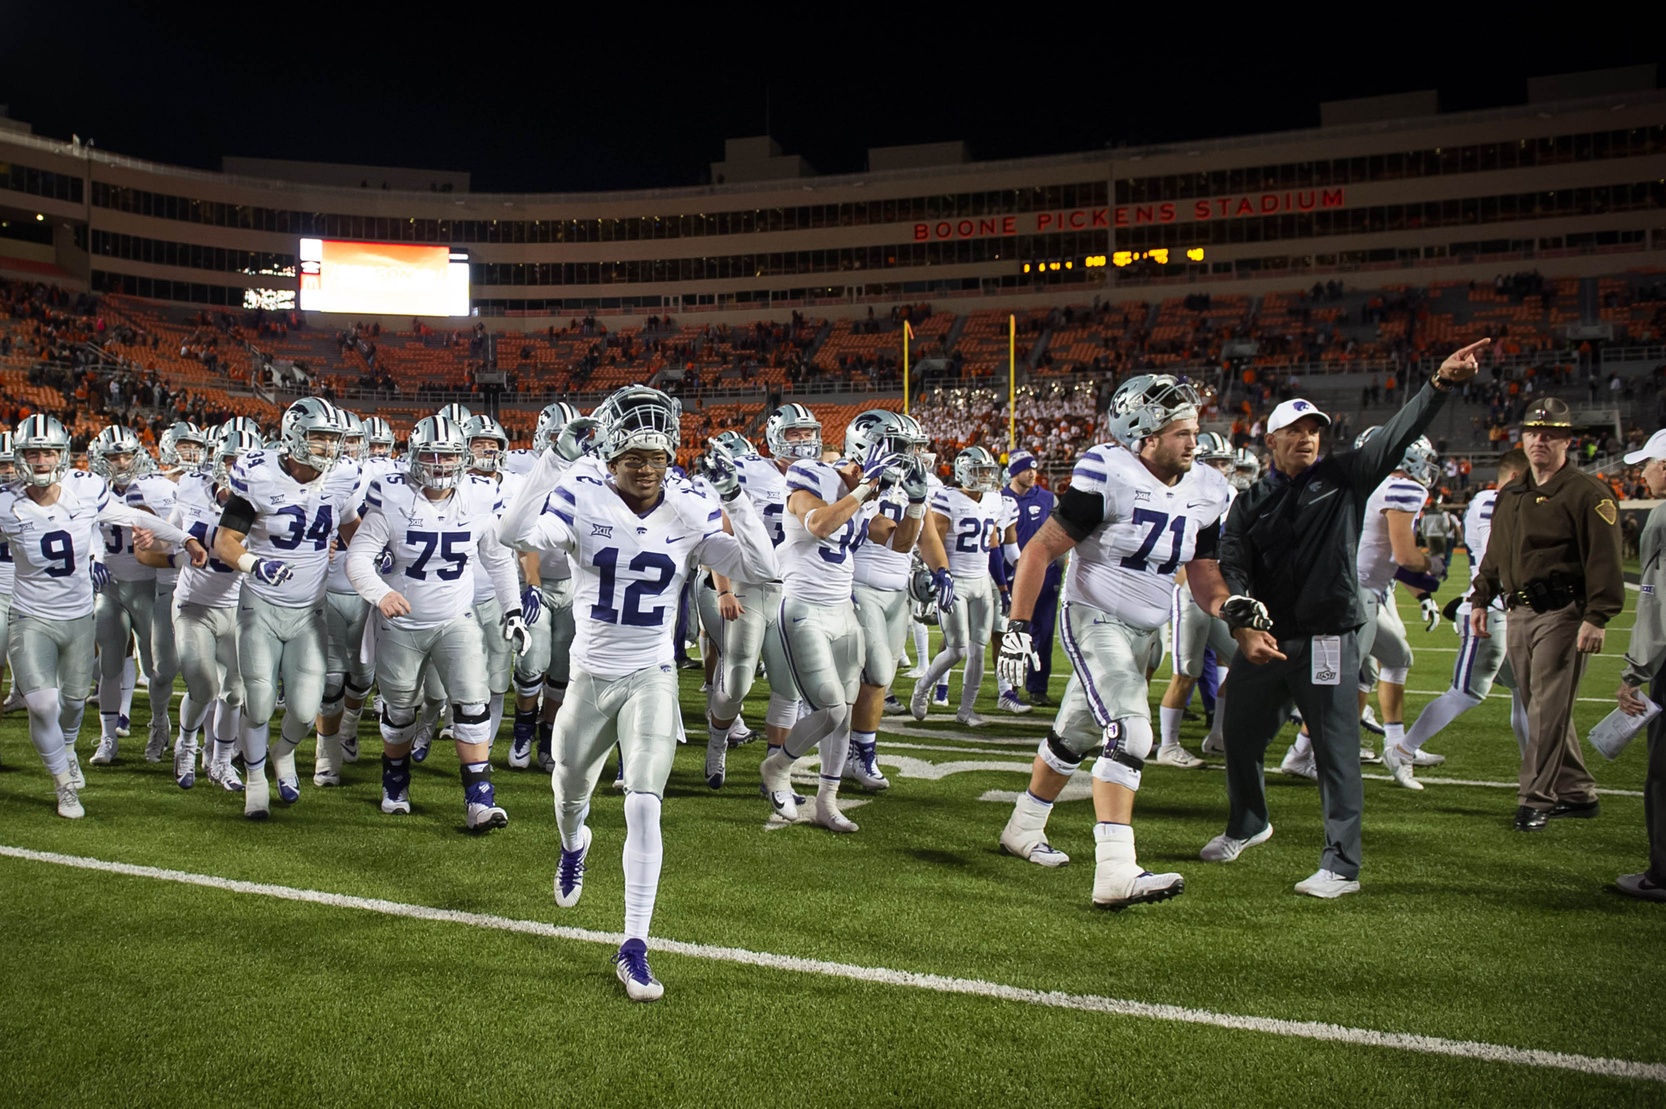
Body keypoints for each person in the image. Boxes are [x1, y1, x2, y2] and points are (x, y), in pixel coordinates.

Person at [498, 385, 778, 1001]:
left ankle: (634, 944)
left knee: (644, 801)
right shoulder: (580, 492)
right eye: (634, 458)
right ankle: (574, 844)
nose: (647, 469)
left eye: (656, 456)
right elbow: (510, 535)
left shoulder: (689, 504)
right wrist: (549, 461)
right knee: (569, 794)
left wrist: (740, 499)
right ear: (611, 456)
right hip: (589, 676)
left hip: (652, 675)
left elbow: (763, 571)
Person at [1201, 339, 1485, 899]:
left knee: (1335, 750)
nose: (1308, 437)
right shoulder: (1250, 500)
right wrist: (1242, 622)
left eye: (1315, 430)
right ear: (1271, 439)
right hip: (1266, 639)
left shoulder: (1347, 476)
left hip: (1329, 637)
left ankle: (1341, 864)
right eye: (1296, 430)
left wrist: (1440, 383)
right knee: (1237, 735)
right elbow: (1232, 562)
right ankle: (1249, 823)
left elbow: (1397, 434)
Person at [996, 374, 1230, 908]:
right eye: (1179, 432)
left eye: (1193, 430)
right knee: (1130, 731)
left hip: (1148, 630)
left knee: (1074, 734)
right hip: (1095, 616)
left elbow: (1204, 570)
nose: (1192, 442)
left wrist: (1226, 606)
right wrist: (1017, 627)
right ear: (1143, 436)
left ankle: (1022, 828)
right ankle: (1116, 870)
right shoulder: (1109, 470)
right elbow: (1038, 551)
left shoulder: (1208, 488)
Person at [0, 414, 206, 817]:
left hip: (78, 618)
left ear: (62, 455)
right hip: (30, 616)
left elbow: (132, 517)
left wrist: (183, 537)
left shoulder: (85, 490)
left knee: (74, 703)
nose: (41, 461)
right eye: (32, 453)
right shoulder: (5, 501)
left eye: (49, 453)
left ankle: (69, 750)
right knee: (43, 705)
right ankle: (63, 784)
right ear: (21, 457)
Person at [345, 415, 527, 829]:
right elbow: (358, 557)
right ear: (414, 455)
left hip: (455, 619)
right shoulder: (391, 496)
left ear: (463, 458)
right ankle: (395, 780)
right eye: (431, 453)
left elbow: (497, 559)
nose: (441, 463)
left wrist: (512, 609)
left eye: (449, 454)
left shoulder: (480, 494)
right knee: (400, 711)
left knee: (473, 703)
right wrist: (381, 593)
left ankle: (480, 801)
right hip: (402, 625)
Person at [1471, 396, 1625, 832]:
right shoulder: (1513, 492)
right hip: (1518, 610)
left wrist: (1598, 616)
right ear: (1522, 438)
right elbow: (1496, 553)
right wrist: (1481, 597)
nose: (1541, 440)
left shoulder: (1587, 493)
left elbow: (1604, 560)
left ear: (1566, 440)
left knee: (1545, 710)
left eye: (1551, 434)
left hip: (1564, 612)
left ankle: (1535, 799)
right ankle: (1577, 792)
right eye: (1534, 433)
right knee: (1543, 706)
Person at [761, 407, 913, 830]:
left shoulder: (871, 494)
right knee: (829, 709)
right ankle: (778, 766)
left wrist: (915, 504)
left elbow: (900, 542)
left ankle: (827, 801)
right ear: (867, 446)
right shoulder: (810, 473)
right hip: (803, 606)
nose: (902, 459)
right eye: (895, 449)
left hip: (842, 608)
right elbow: (819, 525)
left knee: (844, 711)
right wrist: (864, 490)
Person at [213, 398, 362, 819]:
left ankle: (283, 754)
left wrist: (371, 555)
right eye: (319, 436)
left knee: (302, 708)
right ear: (294, 433)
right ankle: (256, 780)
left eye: (333, 438)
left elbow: (352, 529)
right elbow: (224, 542)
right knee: (259, 701)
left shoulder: (342, 476)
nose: (328, 446)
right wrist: (254, 563)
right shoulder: (258, 474)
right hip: (261, 604)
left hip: (309, 611)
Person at [1387, 451, 1530, 789]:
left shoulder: (1495, 502)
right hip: (1489, 612)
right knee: (1466, 692)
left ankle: (1535, 769)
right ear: (1514, 478)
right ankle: (1403, 750)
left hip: (1506, 613)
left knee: (1527, 691)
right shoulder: (1489, 501)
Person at [1157, 430, 1239, 767]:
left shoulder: (1230, 494)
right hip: (1190, 591)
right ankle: (1168, 744)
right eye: (1214, 461)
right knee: (1186, 671)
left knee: (1242, 659)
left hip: (1218, 592)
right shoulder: (1182, 492)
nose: (1221, 467)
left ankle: (1217, 735)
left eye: (1224, 461)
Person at [910, 446, 1008, 726]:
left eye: (989, 471)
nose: (987, 476)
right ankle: (923, 687)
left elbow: (993, 547)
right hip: (955, 581)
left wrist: (1001, 587)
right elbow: (932, 541)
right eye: (980, 471)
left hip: (981, 582)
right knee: (957, 649)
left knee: (978, 649)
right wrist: (935, 576)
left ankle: (966, 711)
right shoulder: (947, 498)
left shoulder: (993, 500)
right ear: (964, 471)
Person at [1616, 429, 1666, 900]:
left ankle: (1662, 875)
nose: (1641, 472)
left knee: (1663, 775)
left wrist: (1635, 673)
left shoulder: (1662, 517)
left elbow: (1655, 607)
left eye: (1648, 463)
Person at [996, 449, 1058, 710]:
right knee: (1007, 633)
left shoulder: (1048, 498)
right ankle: (1009, 687)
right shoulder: (998, 499)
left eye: (1034, 468)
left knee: (1043, 632)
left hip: (1046, 572)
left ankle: (1037, 688)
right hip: (1010, 574)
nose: (1032, 473)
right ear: (1013, 472)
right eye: (1025, 469)